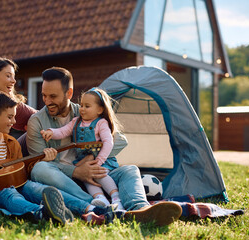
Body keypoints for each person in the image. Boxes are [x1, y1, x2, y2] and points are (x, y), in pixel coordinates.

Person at [26, 67, 182, 226]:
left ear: (69, 93)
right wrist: (77, 172)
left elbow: (120, 140)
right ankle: (97, 206)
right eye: (44, 95)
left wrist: (91, 157)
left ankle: (140, 209)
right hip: (66, 181)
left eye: (53, 96)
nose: (47, 101)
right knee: (40, 169)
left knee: (130, 170)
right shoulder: (37, 122)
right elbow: (36, 164)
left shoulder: (85, 110)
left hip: (96, 173)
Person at [0, 91, 117, 225]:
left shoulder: (12, 143)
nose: (13, 122)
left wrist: (45, 159)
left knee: (36, 188)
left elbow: (21, 172)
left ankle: (93, 208)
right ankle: (40, 213)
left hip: (13, 184)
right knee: (8, 194)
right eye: (10, 117)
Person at [40, 87, 125, 210]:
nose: (82, 109)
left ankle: (116, 197)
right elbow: (63, 132)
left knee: (99, 174)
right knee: (87, 178)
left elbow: (108, 142)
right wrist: (51, 132)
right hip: (83, 161)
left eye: (87, 106)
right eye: (81, 105)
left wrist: (99, 160)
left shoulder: (101, 123)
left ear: (100, 110)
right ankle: (101, 198)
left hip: (101, 160)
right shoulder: (76, 122)